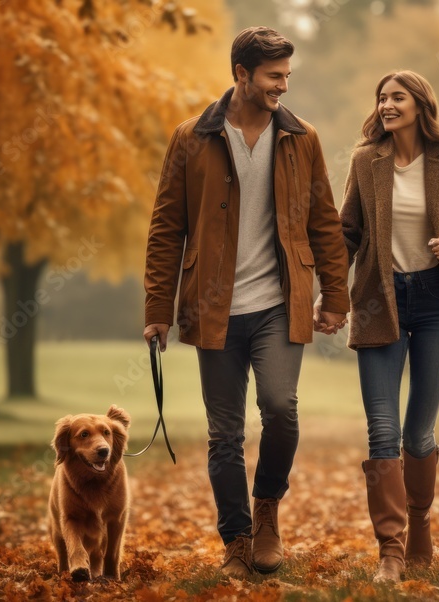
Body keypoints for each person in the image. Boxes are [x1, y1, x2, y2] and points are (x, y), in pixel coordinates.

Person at [143, 26, 350, 578]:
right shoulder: (191, 137)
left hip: (281, 303)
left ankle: (267, 510)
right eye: (273, 76)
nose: (283, 85)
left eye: (287, 75)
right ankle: (236, 539)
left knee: (281, 409)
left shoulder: (301, 137)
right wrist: (157, 311)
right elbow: (167, 228)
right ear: (241, 75)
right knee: (225, 432)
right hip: (214, 308)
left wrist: (336, 296)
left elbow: (324, 222)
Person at [317, 70, 439, 583]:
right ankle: (390, 551)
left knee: (418, 434)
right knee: (382, 429)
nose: (387, 104)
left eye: (397, 97)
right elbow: (348, 233)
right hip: (380, 300)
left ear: (420, 105)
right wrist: (331, 293)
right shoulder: (364, 162)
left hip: (438, 301)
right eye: (382, 98)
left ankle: (419, 521)